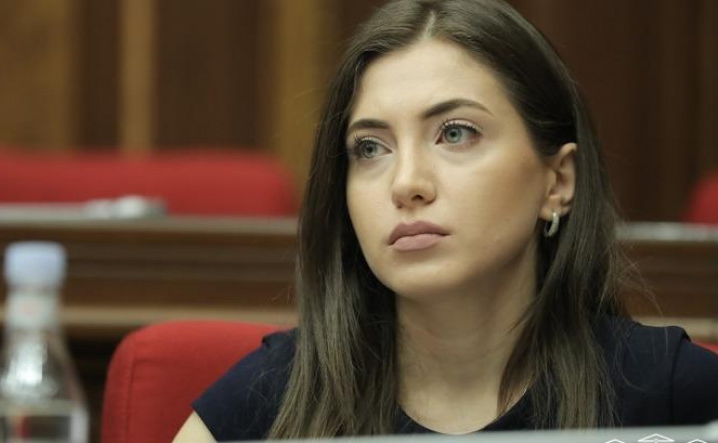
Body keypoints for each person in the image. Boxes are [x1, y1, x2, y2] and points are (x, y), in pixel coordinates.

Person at [174, 0, 718, 440]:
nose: (406, 183)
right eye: (370, 148)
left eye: (455, 133)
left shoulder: (673, 395)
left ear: (557, 182)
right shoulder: (272, 399)